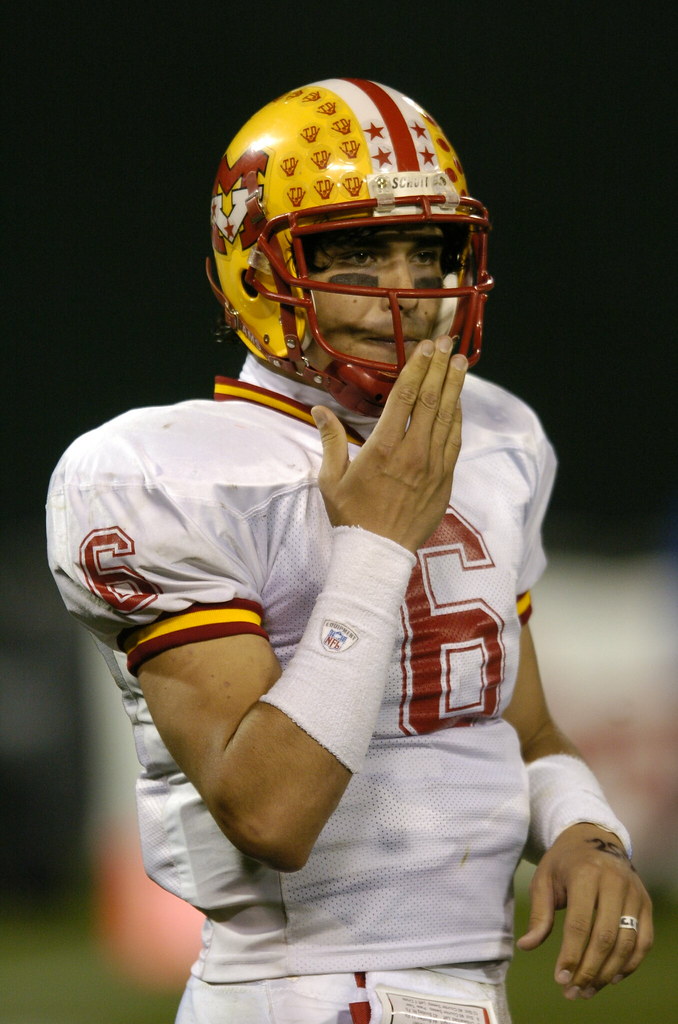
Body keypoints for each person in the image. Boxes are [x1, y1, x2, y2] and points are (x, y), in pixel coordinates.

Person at [46, 78, 652, 1024]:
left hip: (471, 992)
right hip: (304, 991)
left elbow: (521, 731)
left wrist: (586, 831)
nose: (406, 291)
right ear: (259, 269)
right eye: (359, 255)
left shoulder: (495, 434)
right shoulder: (163, 472)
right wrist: (375, 543)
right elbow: (270, 815)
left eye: (429, 249)